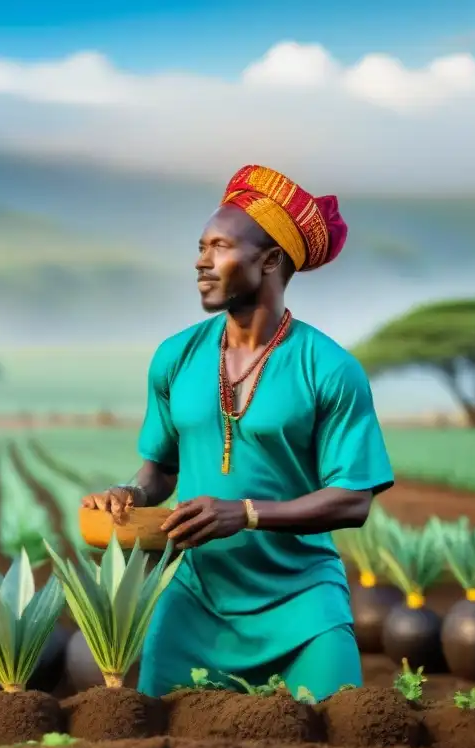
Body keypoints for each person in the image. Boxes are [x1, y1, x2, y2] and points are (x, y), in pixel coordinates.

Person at [82, 165, 394, 701]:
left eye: (220, 247)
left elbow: (353, 500)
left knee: (343, 737)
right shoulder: (175, 357)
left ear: (269, 260)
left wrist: (244, 512)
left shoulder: (330, 367)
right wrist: (129, 495)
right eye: (201, 247)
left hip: (304, 604)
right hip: (196, 599)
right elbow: (160, 472)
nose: (201, 262)